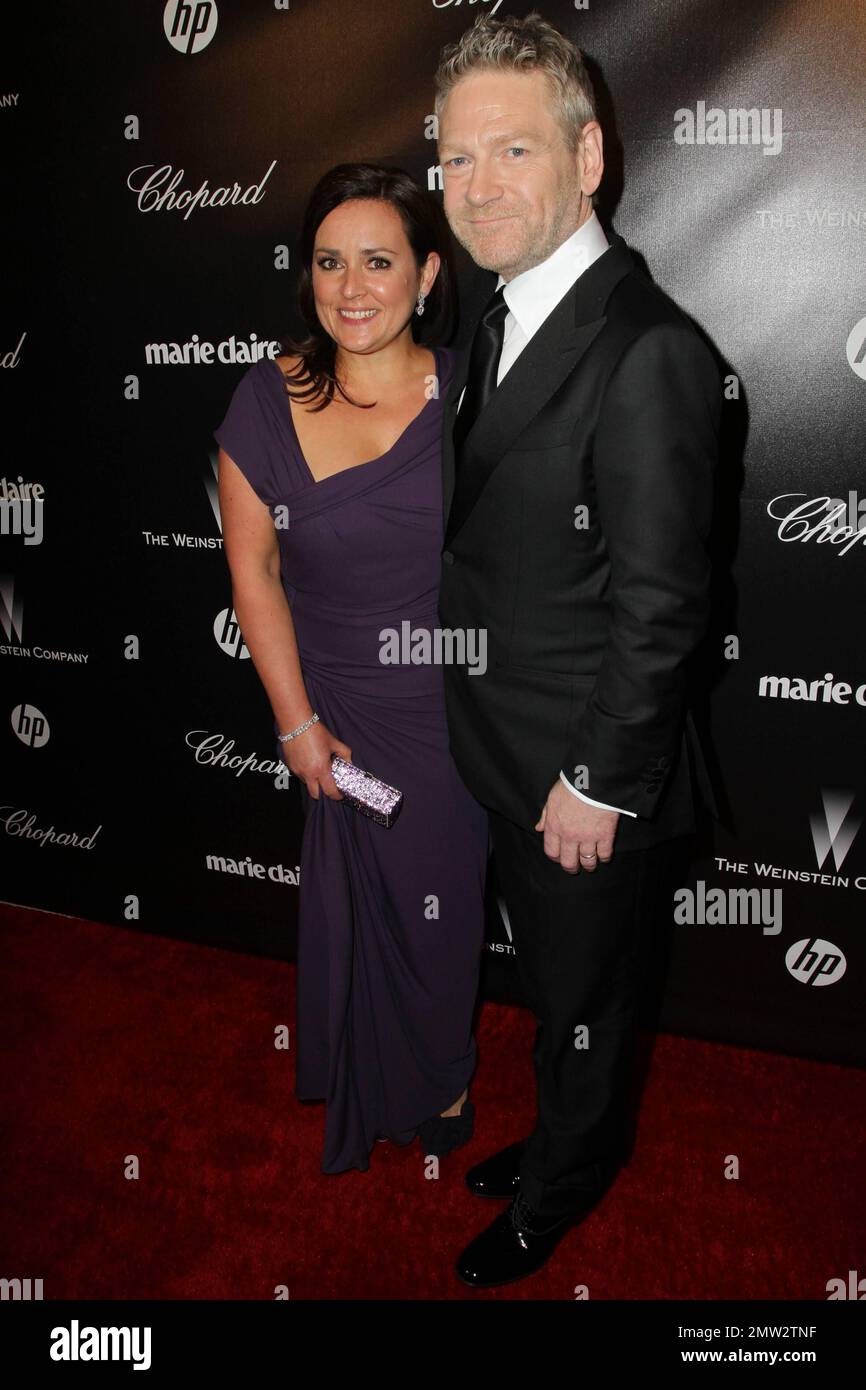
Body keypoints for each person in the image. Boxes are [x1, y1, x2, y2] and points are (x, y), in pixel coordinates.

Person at [434, 13, 722, 1286]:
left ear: (587, 155)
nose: (476, 187)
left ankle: (564, 1183)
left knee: (590, 1003)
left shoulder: (649, 349)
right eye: (454, 159)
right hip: (501, 747)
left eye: (510, 151)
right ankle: (562, 1132)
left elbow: (663, 605)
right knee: (558, 991)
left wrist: (598, 783)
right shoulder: (492, 322)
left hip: (579, 778)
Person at [213, 164, 489, 1176]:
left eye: (377, 260)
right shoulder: (264, 396)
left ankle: (441, 1072)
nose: (351, 285)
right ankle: (382, 1071)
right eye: (329, 262)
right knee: (357, 897)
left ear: (425, 276)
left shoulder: (469, 394)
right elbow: (252, 568)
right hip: (331, 709)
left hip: (448, 712)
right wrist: (295, 725)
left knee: (438, 899)